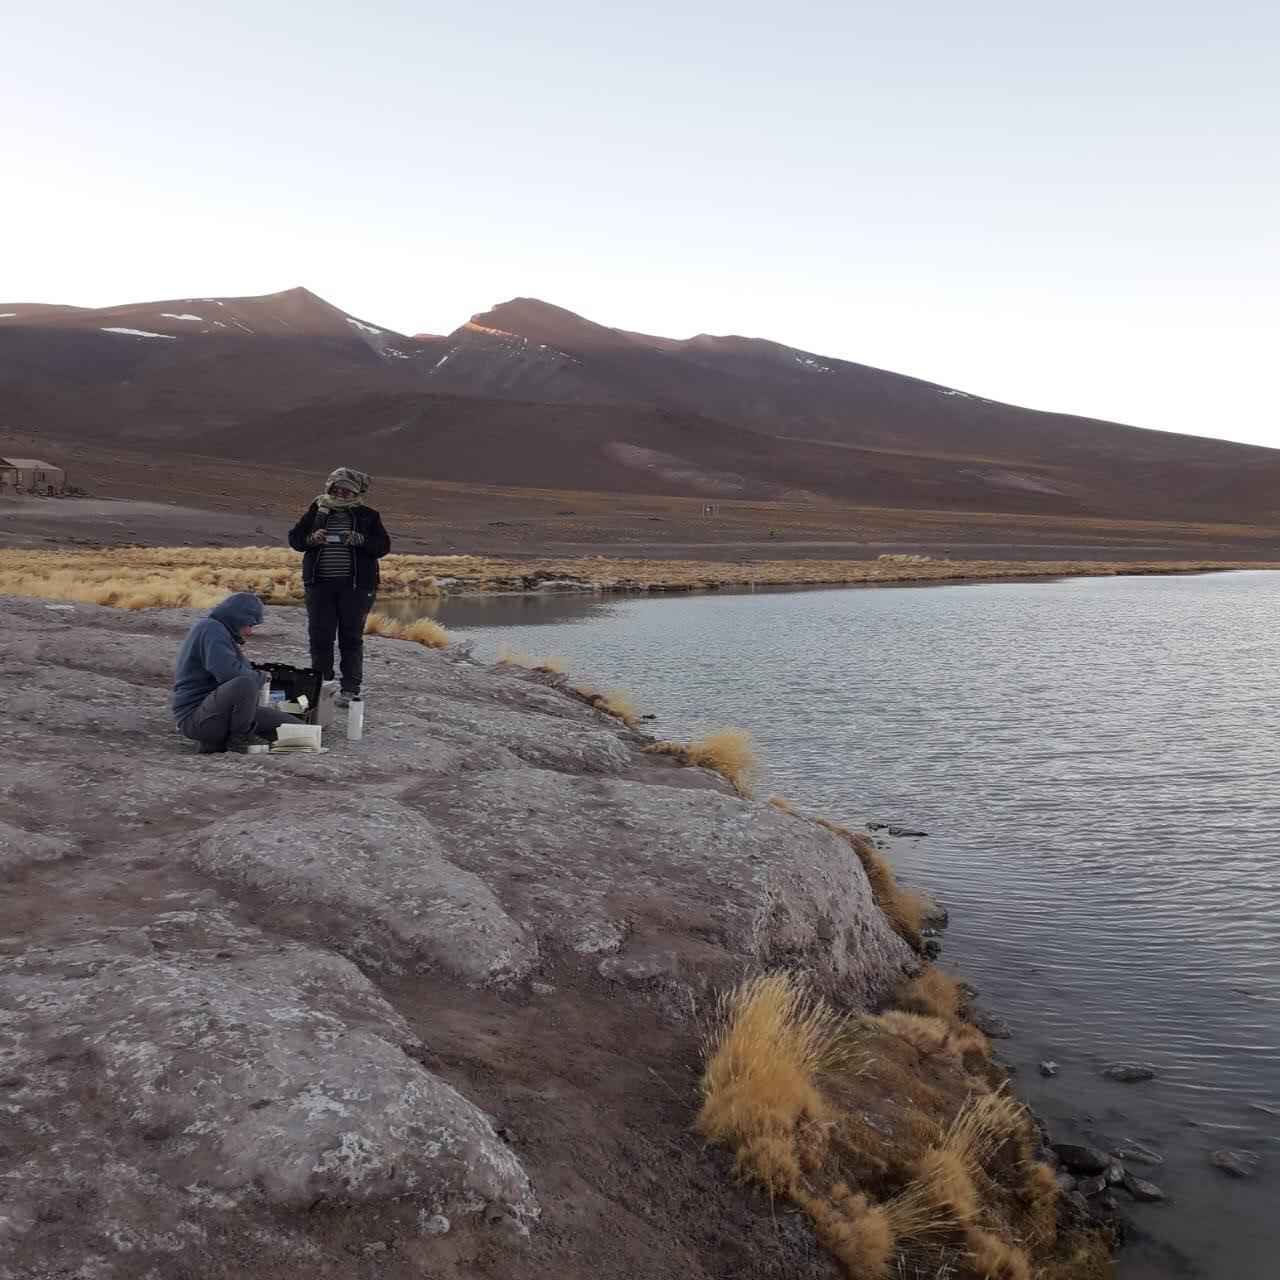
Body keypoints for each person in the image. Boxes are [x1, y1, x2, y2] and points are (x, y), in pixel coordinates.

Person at [287, 467, 391, 705]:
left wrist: (360, 540)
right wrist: (313, 539)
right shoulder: (317, 511)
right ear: (329, 488)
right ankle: (322, 684)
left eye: (347, 492)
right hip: (319, 585)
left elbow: (383, 546)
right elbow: (296, 539)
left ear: (355, 493)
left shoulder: (367, 515)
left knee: (351, 636)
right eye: (337, 490)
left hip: (356, 587)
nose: (341, 495)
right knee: (320, 636)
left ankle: (350, 688)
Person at [172, 592, 298, 754]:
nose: (249, 631)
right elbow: (229, 674)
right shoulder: (211, 629)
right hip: (196, 717)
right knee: (244, 683)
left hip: (218, 713)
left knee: (295, 728)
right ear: (238, 618)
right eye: (250, 625)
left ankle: (217, 742)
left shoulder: (221, 633)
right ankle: (239, 740)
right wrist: (261, 677)